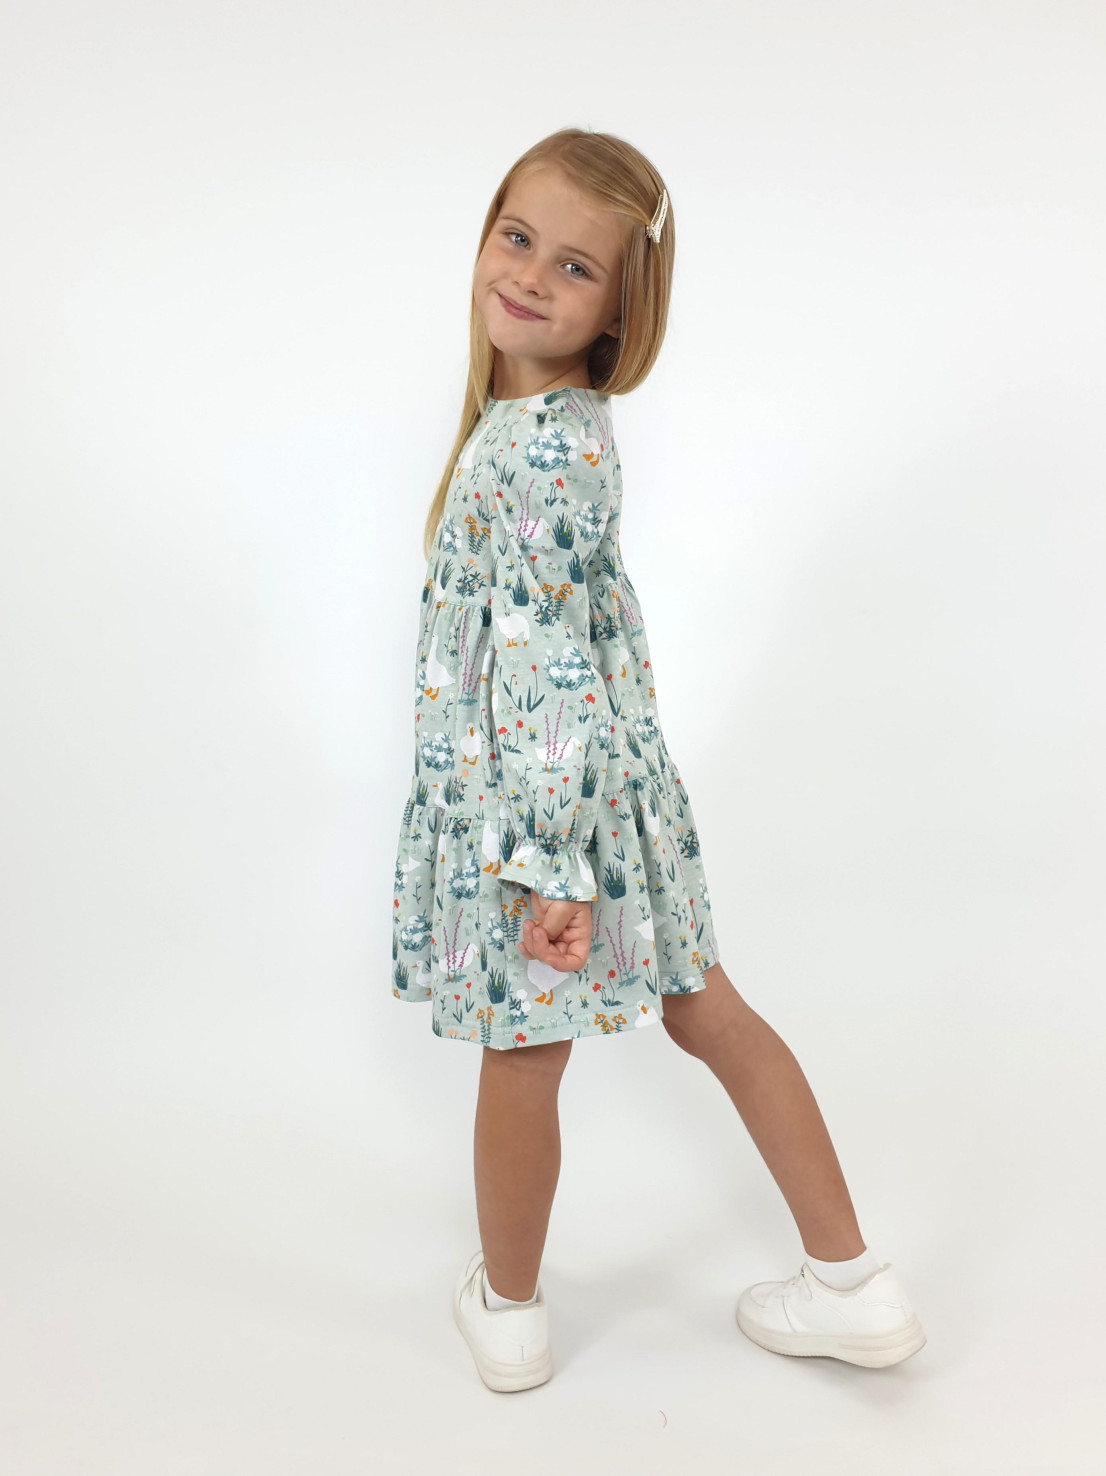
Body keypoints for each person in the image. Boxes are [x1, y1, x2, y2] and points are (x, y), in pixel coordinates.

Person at [389, 127, 926, 1392]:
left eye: (573, 267)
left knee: (524, 1050)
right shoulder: (548, 427)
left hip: (543, 809)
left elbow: (545, 668)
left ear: (619, 316)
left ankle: (508, 1311)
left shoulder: (536, 450)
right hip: (614, 792)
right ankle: (852, 1282)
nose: (529, 275)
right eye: (516, 237)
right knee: (708, 1010)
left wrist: (547, 863)